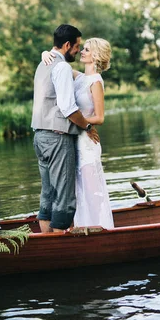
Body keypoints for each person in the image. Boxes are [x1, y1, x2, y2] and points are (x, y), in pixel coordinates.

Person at [31, 24, 100, 234]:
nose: (78, 51)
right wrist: (87, 126)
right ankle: (59, 248)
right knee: (64, 197)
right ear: (67, 44)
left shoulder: (43, 63)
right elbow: (68, 108)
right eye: (77, 46)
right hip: (57, 138)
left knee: (48, 195)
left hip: (39, 137)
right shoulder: (61, 67)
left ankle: (46, 245)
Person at [42, 37, 114, 230]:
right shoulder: (79, 77)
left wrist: (78, 122)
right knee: (78, 190)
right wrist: (45, 53)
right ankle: (82, 228)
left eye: (87, 50)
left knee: (92, 191)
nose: (81, 51)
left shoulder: (96, 82)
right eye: (82, 48)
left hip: (87, 143)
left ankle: (100, 229)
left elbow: (99, 117)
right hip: (75, 140)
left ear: (96, 56)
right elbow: (57, 65)